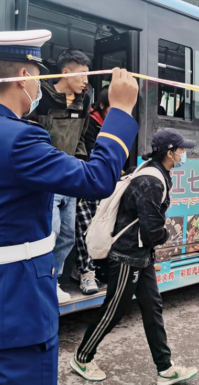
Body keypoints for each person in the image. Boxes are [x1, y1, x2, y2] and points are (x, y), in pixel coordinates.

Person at [0, 30, 139, 385]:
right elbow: (98, 179)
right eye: (38, 74)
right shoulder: (21, 138)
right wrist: (119, 111)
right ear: (24, 76)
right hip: (19, 310)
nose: (39, 84)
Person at [72, 129, 198, 384]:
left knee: (152, 307)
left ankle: (165, 368)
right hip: (127, 255)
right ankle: (82, 358)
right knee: (115, 309)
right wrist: (166, 234)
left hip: (140, 254)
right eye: (181, 149)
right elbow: (152, 231)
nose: (184, 153)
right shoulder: (151, 181)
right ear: (169, 152)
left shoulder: (155, 172)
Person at [30, 48, 93, 303]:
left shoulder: (84, 101)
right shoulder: (40, 96)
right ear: (66, 72)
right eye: (82, 74)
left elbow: (81, 137)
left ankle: (53, 279)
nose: (86, 81)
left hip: (69, 177)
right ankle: (43, 281)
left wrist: (81, 167)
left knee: (67, 235)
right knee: (51, 231)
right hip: (45, 176)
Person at [73, 87, 111, 296]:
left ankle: (87, 268)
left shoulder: (110, 126)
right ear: (102, 106)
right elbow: (90, 157)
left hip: (101, 184)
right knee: (86, 228)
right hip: (85, 182)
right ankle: (86, 272)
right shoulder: (90, 124)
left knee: (100, 228)